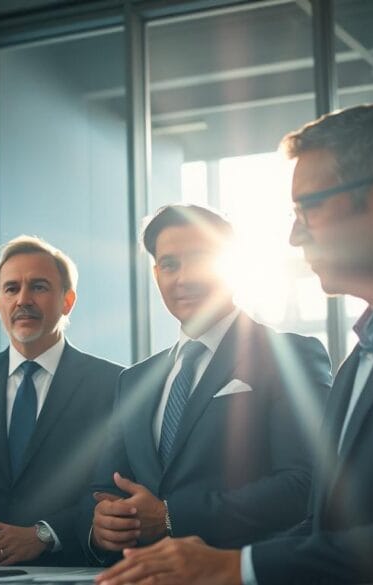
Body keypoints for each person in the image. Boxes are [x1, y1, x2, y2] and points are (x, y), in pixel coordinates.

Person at [95, 102, 373, 585]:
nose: (293, 235)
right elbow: (330, 525)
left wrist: (239, 566)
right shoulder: (363, 355)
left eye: (309, 207)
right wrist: (211, 561)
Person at [83, 204, 332, 563]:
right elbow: (105, 488)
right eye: (170, 265)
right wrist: (103, 527)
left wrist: (171, 517)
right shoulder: (134, 381)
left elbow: (305, 483)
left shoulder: (290, 355)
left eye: (200, 259)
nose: (185, 278)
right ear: (156, 274)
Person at [0, 236, 123, 566]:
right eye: (11, 289)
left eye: (38, 287)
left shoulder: (113, 383)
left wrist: (44, 534)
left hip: (70, 568)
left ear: (68, 301)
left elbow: (112, 485)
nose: (23, 299)